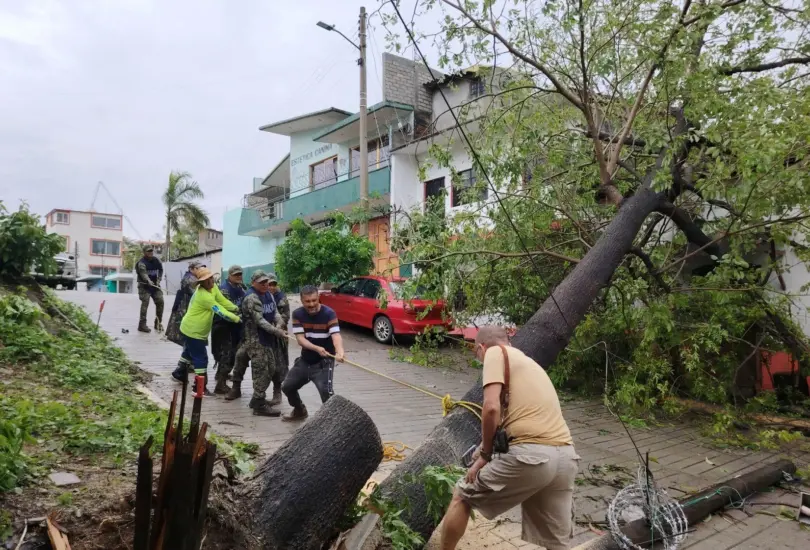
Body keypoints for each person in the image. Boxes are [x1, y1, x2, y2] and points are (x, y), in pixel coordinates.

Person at [439, 326, 578, 550]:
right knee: (556, 542)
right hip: (565, 459)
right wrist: (487, 446)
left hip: (533, 457)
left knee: (462, 496)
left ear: (481, 348)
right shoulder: (530, 364)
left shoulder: (494, 353)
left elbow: (491, 407)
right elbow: (511, 418)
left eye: (477, 354)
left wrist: (484, 455)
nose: (480, 359)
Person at [225, 271, 288, 416]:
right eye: (261, 283)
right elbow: (259, 321)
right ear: (253, 283)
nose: (265, 285)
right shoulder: (252, 298)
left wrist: (279, 323)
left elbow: (275, 312)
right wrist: (277, 331)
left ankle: (256, 399)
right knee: (261, 370)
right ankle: (259, 404)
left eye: (266, 282)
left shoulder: (268, 295)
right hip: (255, 340)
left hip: (266, 338)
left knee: (271, 367)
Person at [171, 267, 240, 396]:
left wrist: (236, 308)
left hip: (190, 328)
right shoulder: (204, 296)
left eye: (211, 278)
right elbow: (220, 310)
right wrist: (237, 319)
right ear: (201, 283)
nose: (210, 281)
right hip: (194, 331)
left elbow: (222, 301)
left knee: (189, 352)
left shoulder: (213, 288)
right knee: (201, 359)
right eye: (206, 280)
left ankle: (179, 373)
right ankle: (199, 388)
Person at [281, 284, 344, 422]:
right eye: (307, 301)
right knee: (287, 387)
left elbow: (336, 336)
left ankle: (334, 423)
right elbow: (300, 339)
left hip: (324, 362)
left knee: (327, 394)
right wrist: (316, 348)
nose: (311, 304)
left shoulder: (329, 313)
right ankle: (299, 410)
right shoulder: (297, 314)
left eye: (314, 300)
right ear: (301, 300)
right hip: (305, 359)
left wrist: (340, 351)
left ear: (318, 298)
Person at [213, 265, 247, 394]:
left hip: (235, 326)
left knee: (231, 353)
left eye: (240, 274)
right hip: (223, 326)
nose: (238, 277)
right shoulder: (224, 289)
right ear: (229, 275)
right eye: (236, 274)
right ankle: (220, 385)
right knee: (228, 355)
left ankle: (221, 374)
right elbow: (226, 310)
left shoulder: (241, 287)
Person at [165, 260, 203, 345]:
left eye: (201, 268)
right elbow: (197, 294)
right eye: (198, 268)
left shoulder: (193, 277)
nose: (200, 270)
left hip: (186, 305)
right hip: (184, 306)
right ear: (191, 269)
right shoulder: (190, 279)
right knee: (183, 333)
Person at [267, 273, 290, 405]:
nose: (271, 287)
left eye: (274, 284)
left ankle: (277, 392)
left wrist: (276, 327)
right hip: (264, 335)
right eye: (269, 284)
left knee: (279, 365)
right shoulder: (261, 296)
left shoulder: (281, 298)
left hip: (279, 336)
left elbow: (285, 316)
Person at [136, 245, 164, 333]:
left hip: (155, 286)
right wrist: (148, 281)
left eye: (151, 251)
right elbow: (144, 274)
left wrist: (158, 279)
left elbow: (160, 270)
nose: (150, 252)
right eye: (148, 251)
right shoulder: (141, 263)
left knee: (160, 301)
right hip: (144, 286)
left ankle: (158, 323)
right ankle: (142, 325)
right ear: (144, 252)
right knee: (145, 303)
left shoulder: (156, 260)